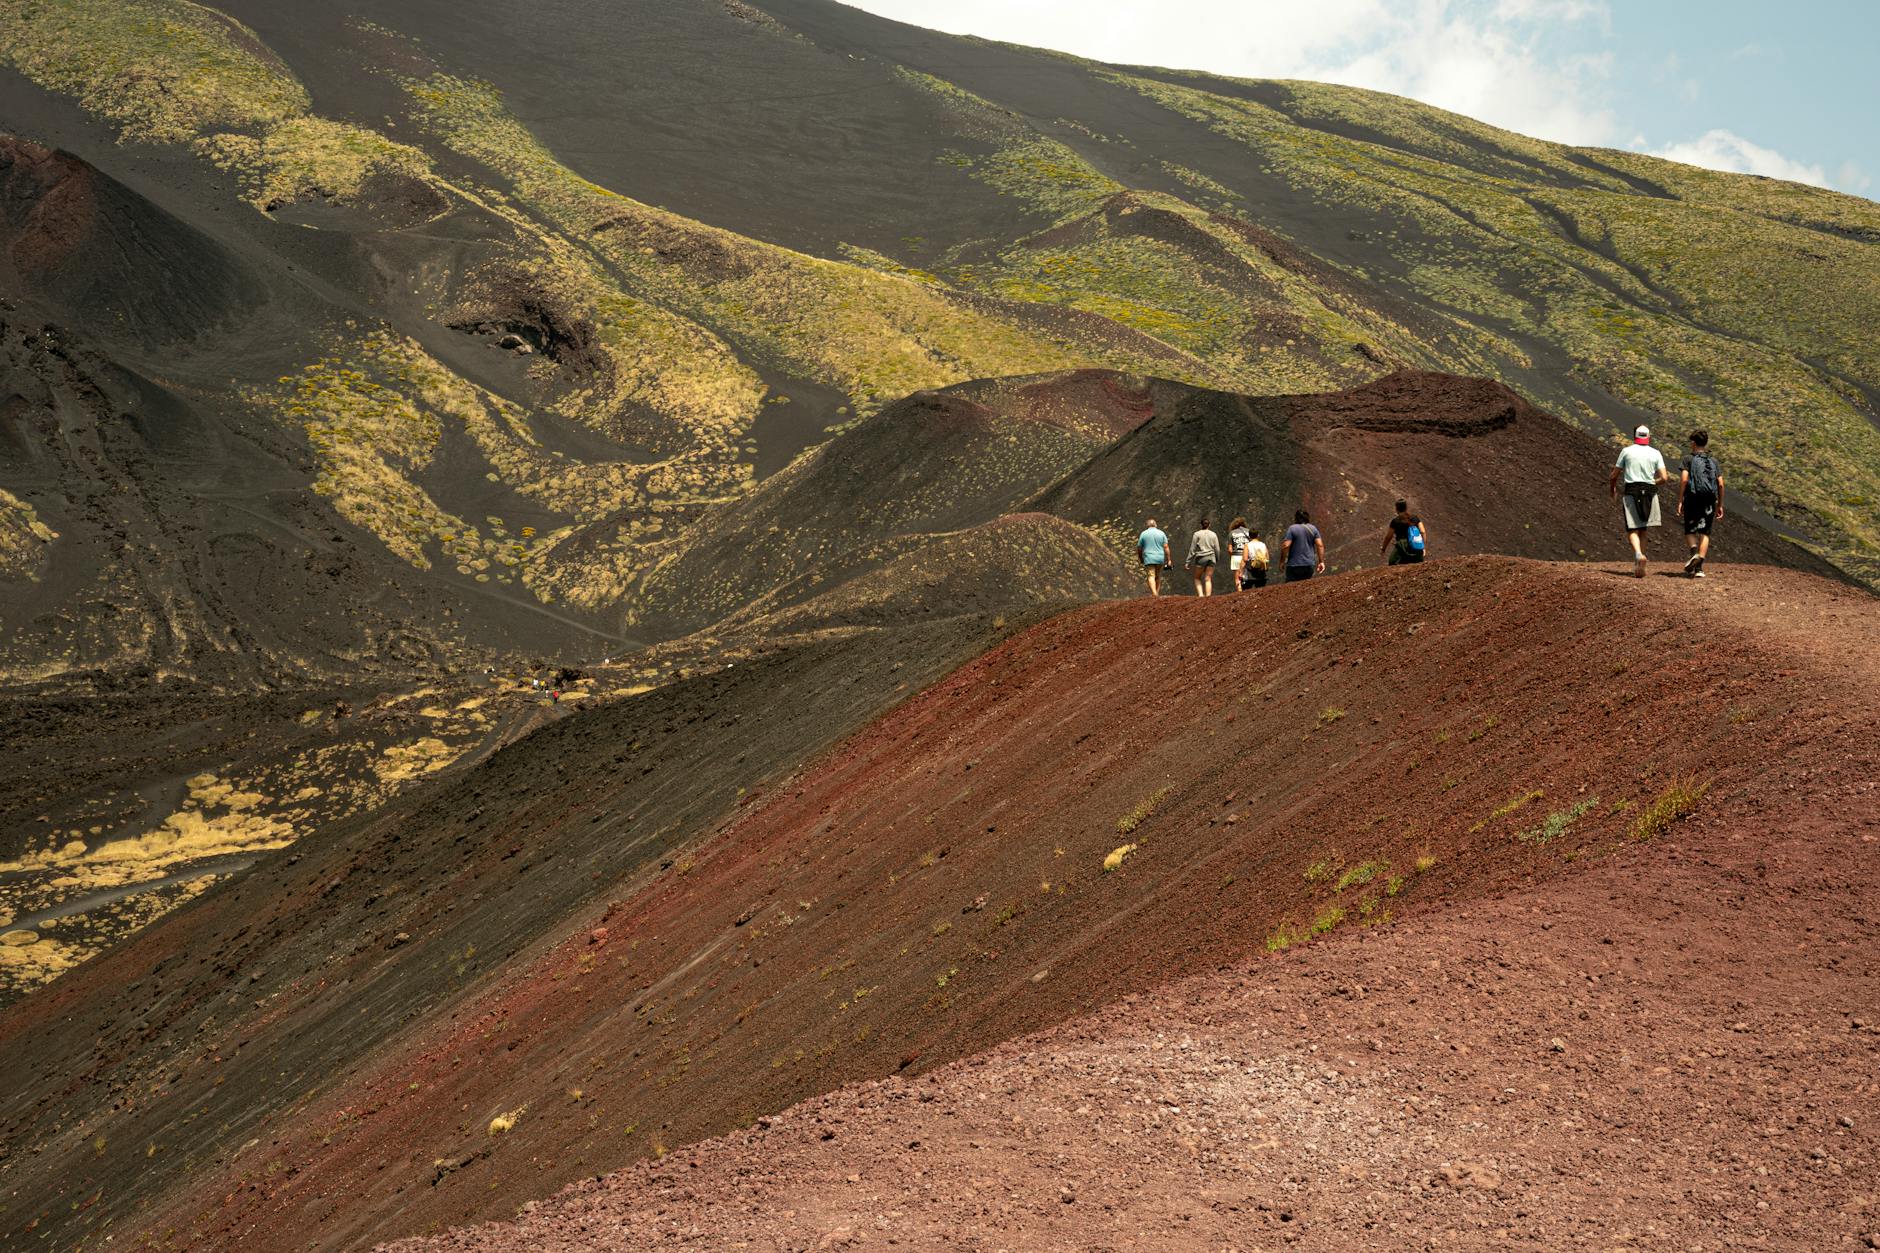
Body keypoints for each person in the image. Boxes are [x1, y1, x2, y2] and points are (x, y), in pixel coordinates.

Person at [1609, 424, 1670, 577]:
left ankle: (1638, 555)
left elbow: (1614, 475)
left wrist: (1613, 489)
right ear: (1648, 437)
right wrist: (1650, 483)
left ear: (1635, 436)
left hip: (1632, 490)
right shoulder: (1656, 453)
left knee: (1632, 528)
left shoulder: (1626, 451)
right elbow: (1664, 478)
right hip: (1649, 492)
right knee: (1643, 529)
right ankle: (1639, 565)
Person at [1677, 429, 1725, 578]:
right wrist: (1720, 504)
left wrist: (1680, 500)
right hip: (1709, 499)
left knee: (1690, 530)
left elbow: (1684, 480)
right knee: (1705, 532)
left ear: (1693, 443)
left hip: (1692, 498)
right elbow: (1721, 484)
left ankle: (1694, 554)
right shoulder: (1713, 461)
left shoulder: (1688, 459)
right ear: (1705, 443)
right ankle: (1699, 569)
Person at [1380, 499, 1429, 565]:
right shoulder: (1415, 518)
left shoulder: (1395, 521)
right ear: (1406, 508)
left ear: (1396, 509)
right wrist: (1423, 548)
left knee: (1392, 562)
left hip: (1402, 547)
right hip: (1416, 547)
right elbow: (1423, 531)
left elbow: (1388, 537)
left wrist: (1383, 549)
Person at [1282, 509, 1325, 581]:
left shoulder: (1292, 528)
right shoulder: (1313, 528)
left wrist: (1282, 561)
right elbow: (1320, 545)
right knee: (1305, 587)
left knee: (1291, 588)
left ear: (1296, 518)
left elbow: (1286, 545)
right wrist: (1321, 562)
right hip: (1309, 565)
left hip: (1294, 565)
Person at [1186, 516, 1221, 597]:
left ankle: (1201, 595)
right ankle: (1208, 597)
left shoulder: (1197, 534)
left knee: (1197, 578)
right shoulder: (1213, 534)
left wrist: (1188, 561)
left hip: (1201, 558)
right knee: (1208, 578)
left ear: (1200, 525)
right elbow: (1217, 548)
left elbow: (1192, 549)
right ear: (1209, 525)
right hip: (1211, 557)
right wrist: (1217, 558)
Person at [1136, 517, 1171, 596]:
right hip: (1160, 558)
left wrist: (1141, 558)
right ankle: (1156, 593)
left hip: (1149, 558)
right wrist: (1169, 559)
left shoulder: (1143, 534)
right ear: (1155, 525)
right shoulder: (1161, 533)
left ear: (1147, 525)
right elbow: (1166, 547)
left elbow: (1139, 548)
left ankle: (1154, 593)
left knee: (1151, 575)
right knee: (1158, 576)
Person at [1225, 517, 1251, 591]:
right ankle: (1247, 592)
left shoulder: (1232, 533)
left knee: (1237, 578)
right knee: (1247, 575)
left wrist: (1231, 558)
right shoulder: (1248, 532)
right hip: (1246, 556)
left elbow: (1230, 550)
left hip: (1236, 556)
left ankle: (1240, 593)